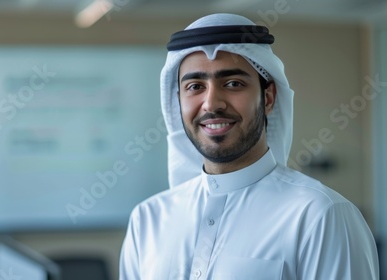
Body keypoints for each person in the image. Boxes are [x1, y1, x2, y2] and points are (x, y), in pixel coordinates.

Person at [119, 13, 379, 279]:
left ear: (268, 98)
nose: (211, 104)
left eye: (233, 84)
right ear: (178, 103)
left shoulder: (320, 215)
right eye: (195, 86)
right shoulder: (148, 220)